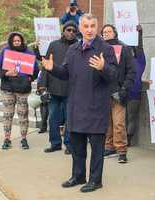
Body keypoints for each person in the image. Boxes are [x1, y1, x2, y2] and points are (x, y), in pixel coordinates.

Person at [42, 14, 117, 192]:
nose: (89, 29)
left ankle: (95, 180)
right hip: (76, 106)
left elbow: (115, 76)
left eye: (92, 26)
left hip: (96, 108)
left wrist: (103, 67)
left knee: (97, 149)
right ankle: (78, 175)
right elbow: (66, 73)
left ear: (96, 27)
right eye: (86, 26)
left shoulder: (106, 49)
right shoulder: (73, 49)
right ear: (80, 28)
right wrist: (53, 68)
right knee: (77, 147)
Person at [0, 32, 39, 150]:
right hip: (8, 88)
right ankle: (7, 139)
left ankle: (23, 139)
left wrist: (31, 78)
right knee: (7, 115)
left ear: (22, 41)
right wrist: (5, 73)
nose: (17, 43)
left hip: (23, 89)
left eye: (19, 41)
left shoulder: (28, 52)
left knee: (23, 114)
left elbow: (36, 69)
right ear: (11, 41)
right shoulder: (5, 51)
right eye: (14, 41)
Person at [41, 21, 78, 155]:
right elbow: (46, 66)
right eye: (68, 30)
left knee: (70, 119)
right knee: (53, 118)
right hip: (54, 88)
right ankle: (55, 143)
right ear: (63, 31)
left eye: (74, 31)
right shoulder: (53, 45)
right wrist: (42, 86)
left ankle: (69, 145)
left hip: (71, 89)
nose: (71, 32)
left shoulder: (78, 46)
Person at [101, 24, 136, 163]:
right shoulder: (99, 49)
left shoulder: (125, 49)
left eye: (109, 31)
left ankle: (121, 150)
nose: (106, 34)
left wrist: (124, 89)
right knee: (106, 123)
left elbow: (131, 71)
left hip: (119, 92)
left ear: (115, 33)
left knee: (119, 123)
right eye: (104, 32)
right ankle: (109, 146)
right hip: (103, 92)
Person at [126, 25, 146, 146]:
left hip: (133, 93)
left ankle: (128, 139)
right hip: (122, 92)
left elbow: (140, 47)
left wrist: (140, 34)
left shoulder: (140, 60)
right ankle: (123, 138)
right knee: (123, 118)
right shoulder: (124, 60)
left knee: (131, 118)